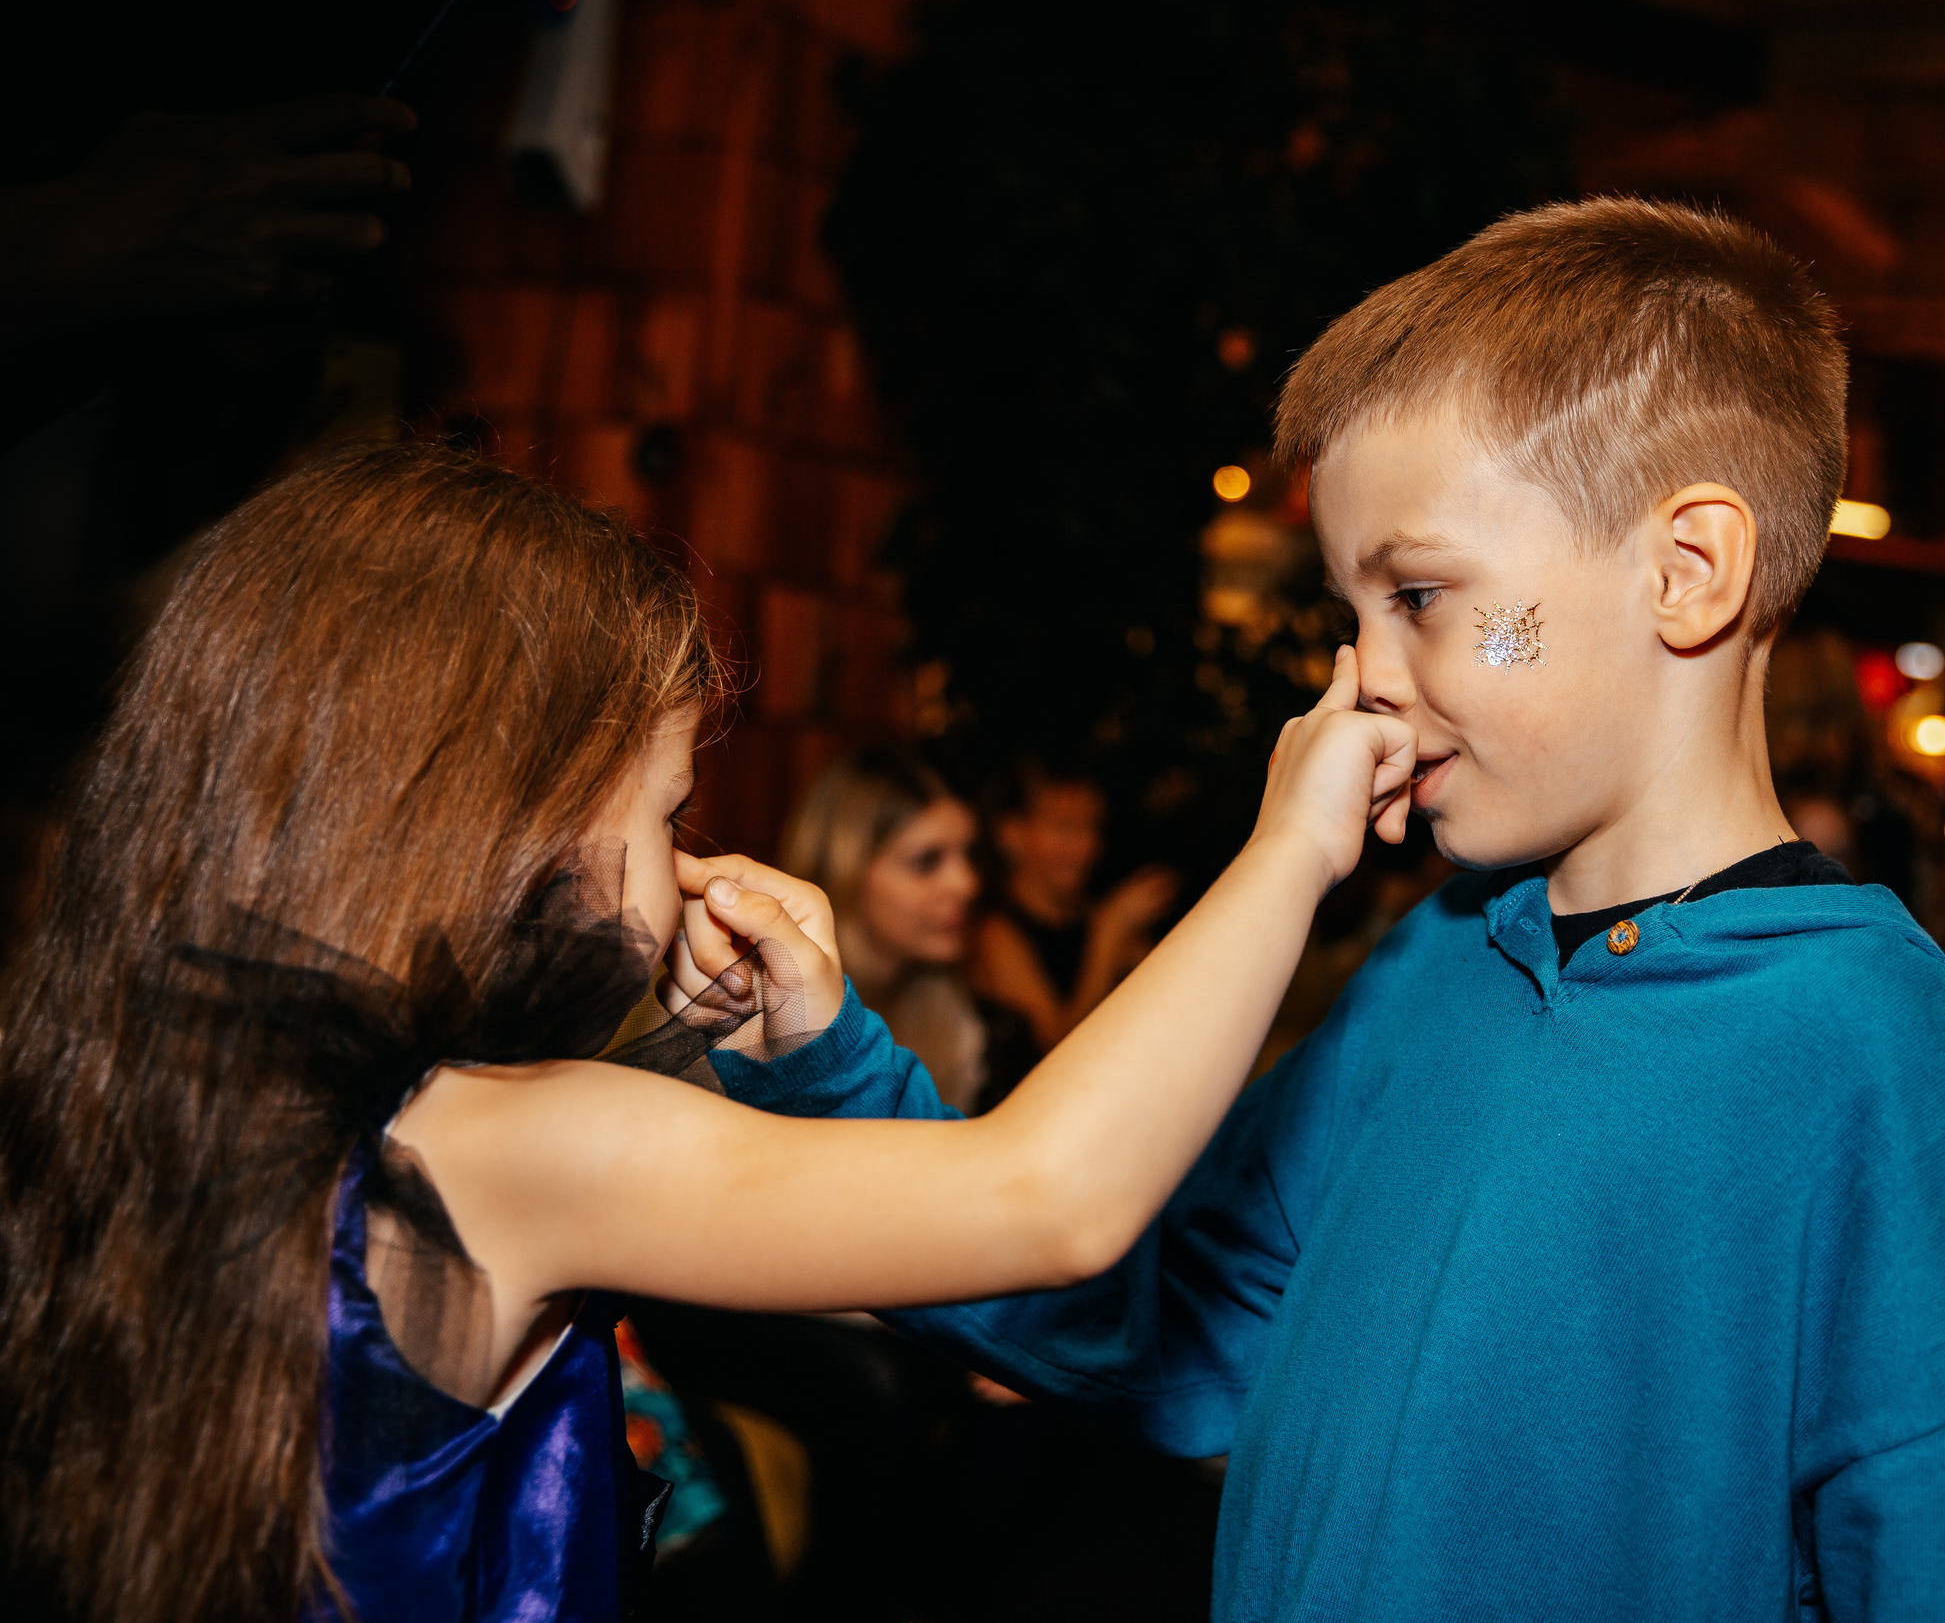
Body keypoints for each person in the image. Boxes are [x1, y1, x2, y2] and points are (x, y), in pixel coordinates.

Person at [727, 198, 1945, 1617]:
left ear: (1685, 574)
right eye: (1352, 610)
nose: (1362, 675)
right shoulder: (1435, 958)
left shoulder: (1864, 1036)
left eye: (1424, 596)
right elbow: (1164, 1318)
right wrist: (834, 1061)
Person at [0, 443, 1415, 1623]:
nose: (685, 868)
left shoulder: (175, 1104)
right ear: (506, 819)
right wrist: (1290, 844)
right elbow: (1053, 1200)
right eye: (664, 813)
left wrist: (770, 1050)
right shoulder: (507, 1146)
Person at [781, 748, 1034, 1114]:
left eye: (969, 854)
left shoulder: (970, 1030)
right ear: (845, 872)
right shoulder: (778, 1029)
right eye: (927, 861)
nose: (967, 884)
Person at [971, 762, 1177, 1052]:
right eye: (1065, 827)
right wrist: (1107, 934)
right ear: (1012, 835)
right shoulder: (993, 933)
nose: (1088, 846)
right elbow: (1055, 1046)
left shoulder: (1087, 911)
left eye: (1092, 826)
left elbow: (1171, 998)